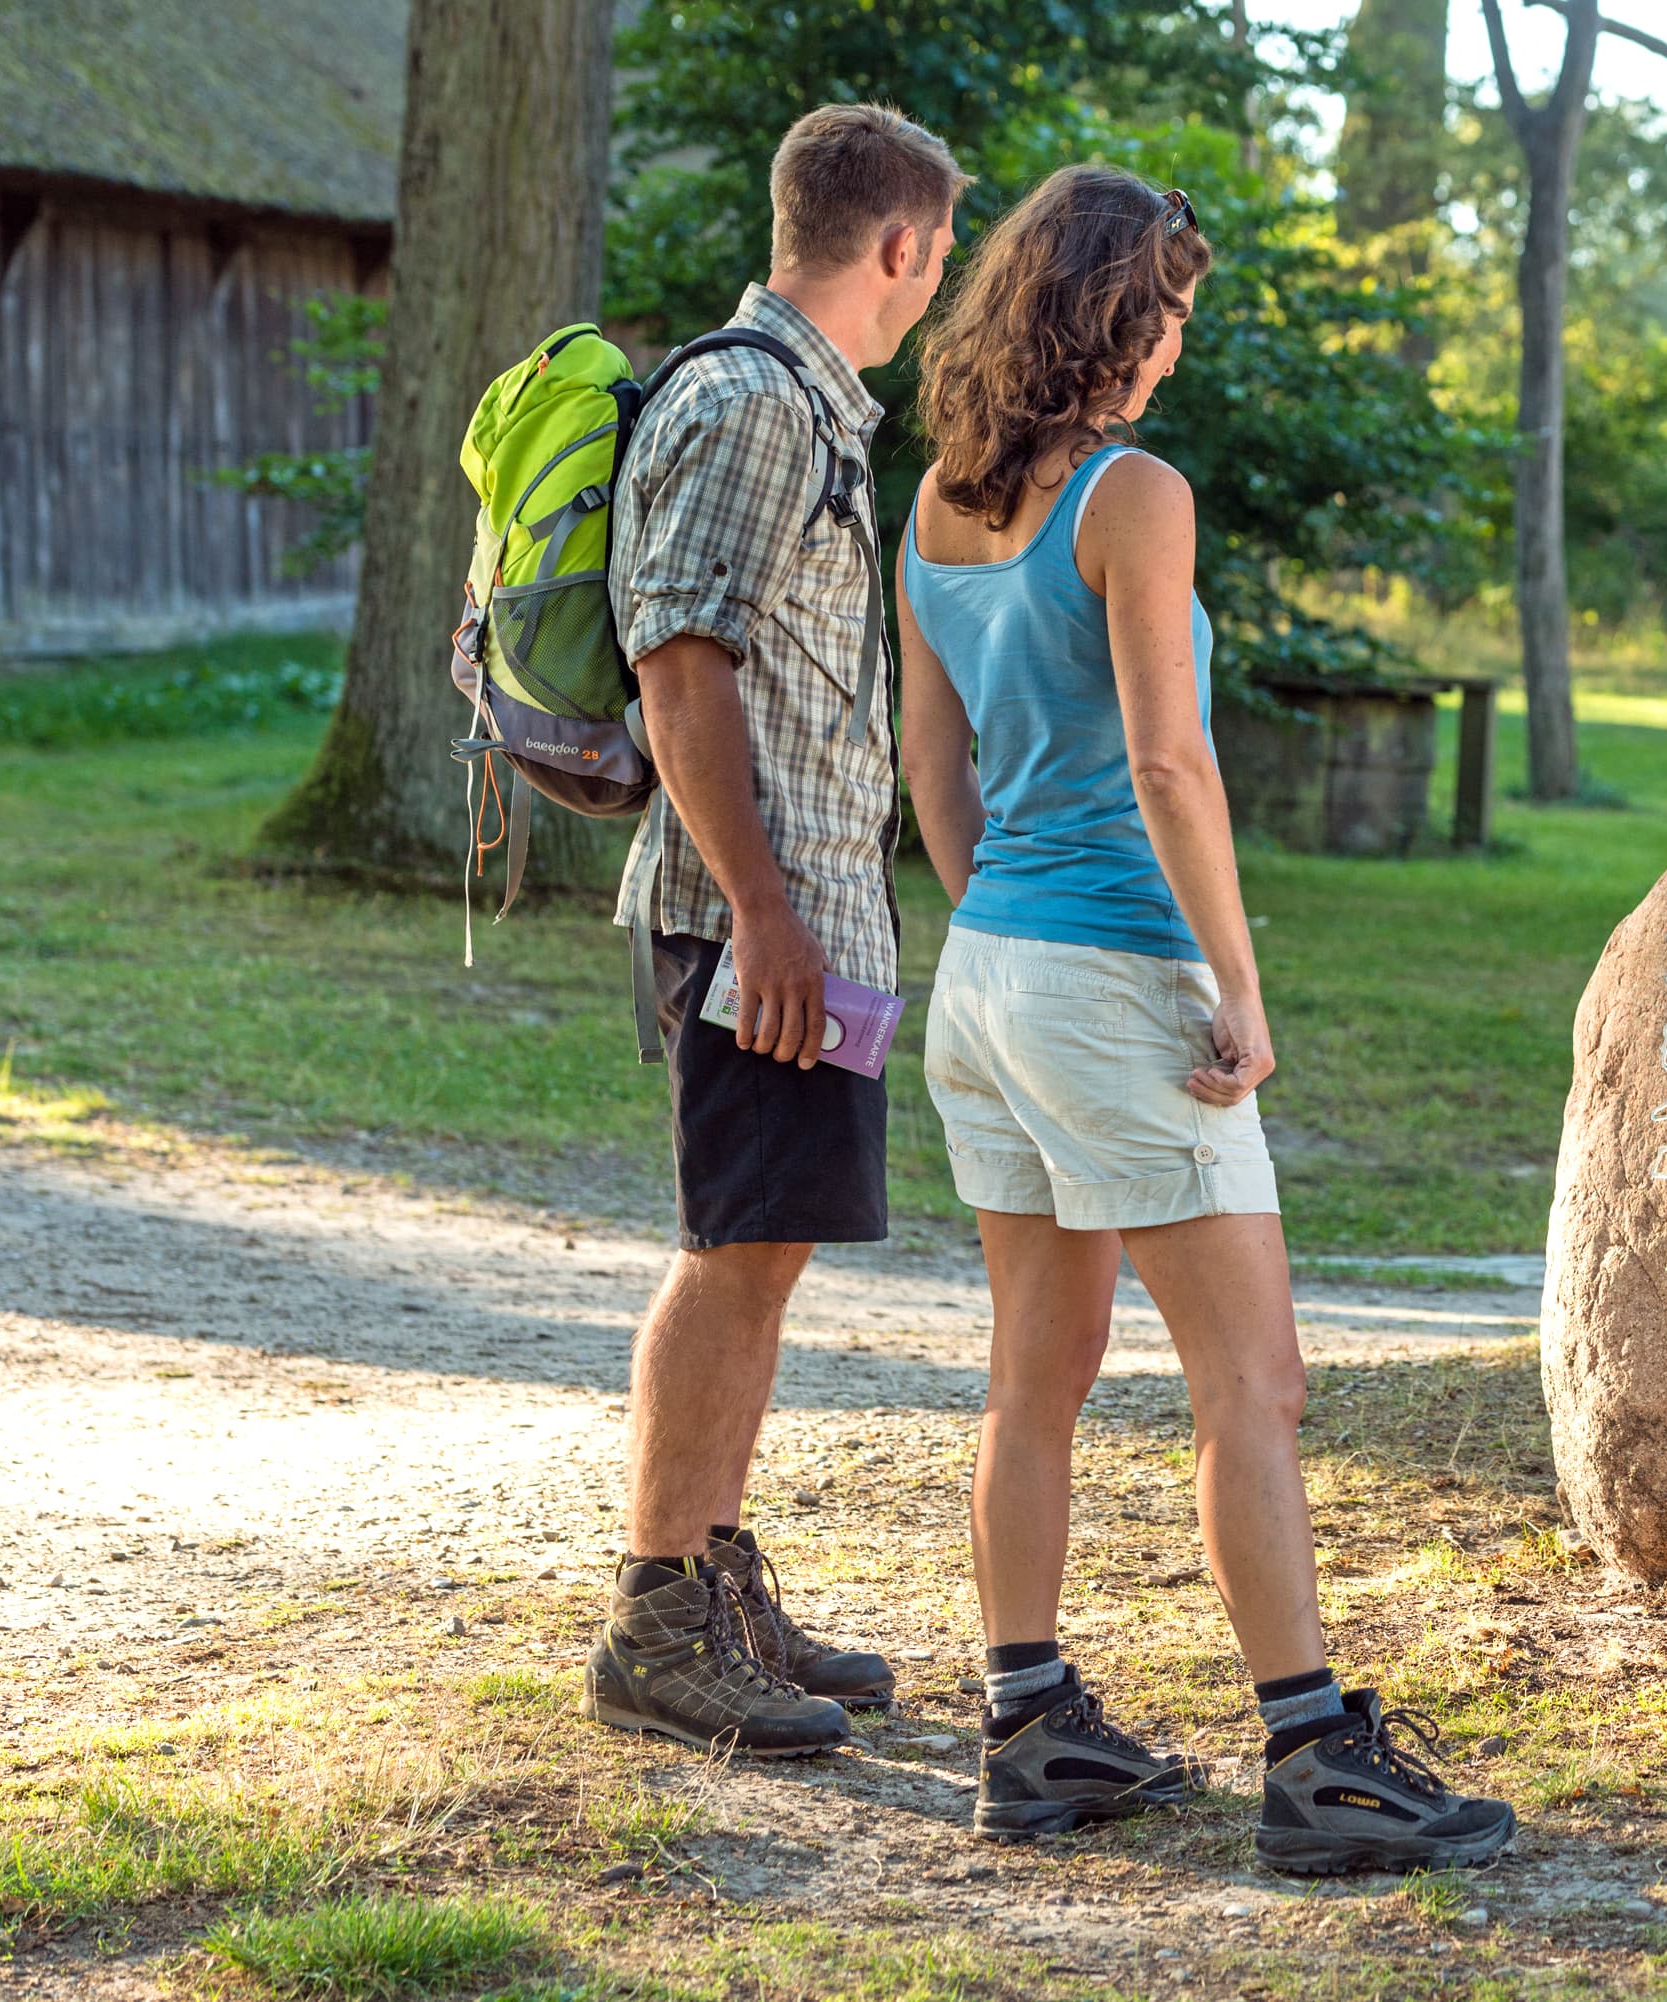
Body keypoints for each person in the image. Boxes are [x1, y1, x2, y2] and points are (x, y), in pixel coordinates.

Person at [897, 164, 1517, 1873]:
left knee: (1038, 1376)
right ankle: (1316, 1757)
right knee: (1257, 1380)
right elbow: (1170, 761)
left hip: (990, 978)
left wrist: (996, 919)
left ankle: (1028, 1731)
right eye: (1166, 311)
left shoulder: (940, 506)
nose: (1175, 344)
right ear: (1114, 311)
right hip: (1114, 982)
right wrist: (1233, 984)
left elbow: (931, 770)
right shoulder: (1132, 496)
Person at [580, 104, 967, 1758]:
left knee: (778, 1240)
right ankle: (656, 1616)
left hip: (819, 927)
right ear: (898, 246)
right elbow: (681, 667)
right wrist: (764, 916)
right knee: (733, 1245)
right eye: (939, 255)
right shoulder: (746, 403)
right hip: (760, 927)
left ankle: (718, 1576)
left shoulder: (810, 412)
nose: (938, 284)